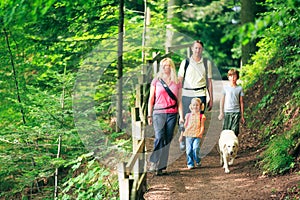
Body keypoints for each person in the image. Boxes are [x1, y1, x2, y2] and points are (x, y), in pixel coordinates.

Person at [147, 57, 184, 175]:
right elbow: (151, 99)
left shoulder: (177, 82)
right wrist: (149, 115)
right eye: (163, 66)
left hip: (172, 114)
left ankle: (161, 167)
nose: (166, 68)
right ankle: (153, 161)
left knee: (167, 140)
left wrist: (182, 116)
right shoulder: (156, 81)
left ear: (172, 67)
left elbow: (179, 100)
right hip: (158, 112)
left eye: (168, 65)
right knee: (159, 136)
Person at [178, 40, 213, 150]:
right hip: (186, 94)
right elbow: (179, 79)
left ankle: (194, 144)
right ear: (192, 49)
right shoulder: (186, 62)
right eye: (196, 48)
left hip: (200, 94)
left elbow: (209, 82)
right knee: (184, 119)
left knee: (197, 121)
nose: (197, 50)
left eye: (200, 48)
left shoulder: (207, 63)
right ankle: (182, 138)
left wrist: (211, 98)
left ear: (202, 50)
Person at [179, 98, 206, 169]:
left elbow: (202, 126)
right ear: (191, 106)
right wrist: (181, 136)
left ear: (200, 106)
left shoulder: (201, 116)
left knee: (195, 148)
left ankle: (197, 160)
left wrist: (200, 133)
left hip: (197, 135)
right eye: (194, 105)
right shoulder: (188, 115)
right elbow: (185, 126)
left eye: (197, 105)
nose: (195, 107)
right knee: (188, 150)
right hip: (188, 135)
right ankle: (190, 163)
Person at [218, 69, 245, 136]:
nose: (232, 78)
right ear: (228, 77)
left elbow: (241, 102)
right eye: (231, 76)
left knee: (234, 131)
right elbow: (222, 100)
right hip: (227, 111)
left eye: (234, 76)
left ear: (237, 77)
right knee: (226, 131)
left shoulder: (240, 88)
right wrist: (221, 112)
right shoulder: (225, 88)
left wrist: (242, 116)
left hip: (236, 112)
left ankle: (234, 145)